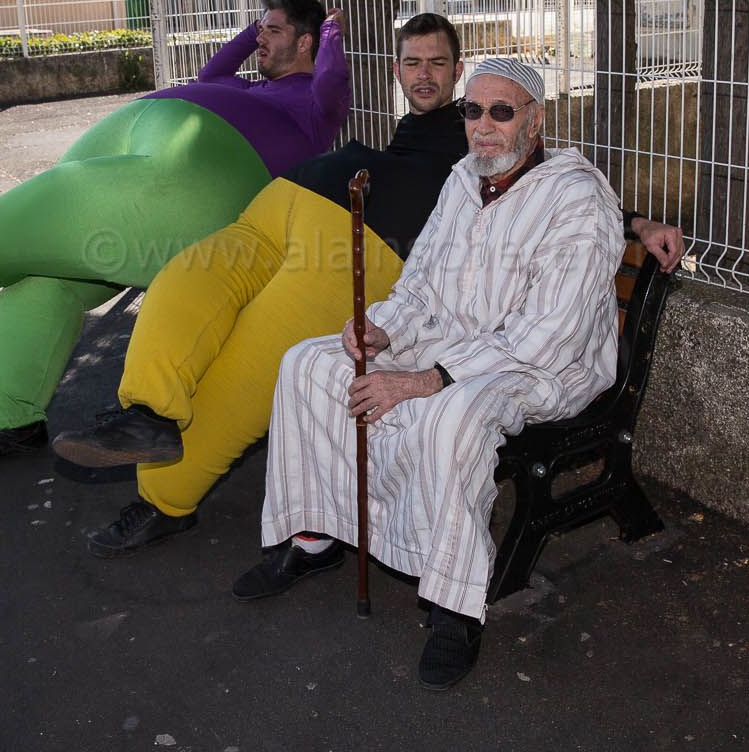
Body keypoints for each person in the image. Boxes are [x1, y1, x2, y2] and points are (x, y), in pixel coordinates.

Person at [231, 57, 685, 691]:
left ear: (535, 120)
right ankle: (315, 536)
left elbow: (546, 333)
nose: (484, 125)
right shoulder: (462, 179)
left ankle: (454, 609)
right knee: (310, 364)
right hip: (454, 343)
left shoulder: (576, 199)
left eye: (502, 111)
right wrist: (384, 329)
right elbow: (421, 284)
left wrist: (427, 379)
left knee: (451, 415)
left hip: (539, 366)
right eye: (473, 110)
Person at [50, 13, 471, 556]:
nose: (425, 74)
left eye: (437, 63)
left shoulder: (478, 124)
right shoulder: (413, 125)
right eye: (413, 63)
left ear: (458, 70)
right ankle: (145, 413)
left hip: (357, 245)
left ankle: (163, 501)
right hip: (282, 207)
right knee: (182, 282)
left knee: (243, 372)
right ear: (397, 70)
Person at [0, 0, 350, 475]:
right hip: (146, 132)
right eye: (261, 30)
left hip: (202, 177)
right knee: (41, 281)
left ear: (305, 43)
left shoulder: (314, 106)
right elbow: (210, 73)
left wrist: (331, 32)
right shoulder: (244, 84)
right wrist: (253, 31)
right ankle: (9, 423)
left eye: (274, 31)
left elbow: (333, 81)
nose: (261, 40)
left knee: (77, 205)